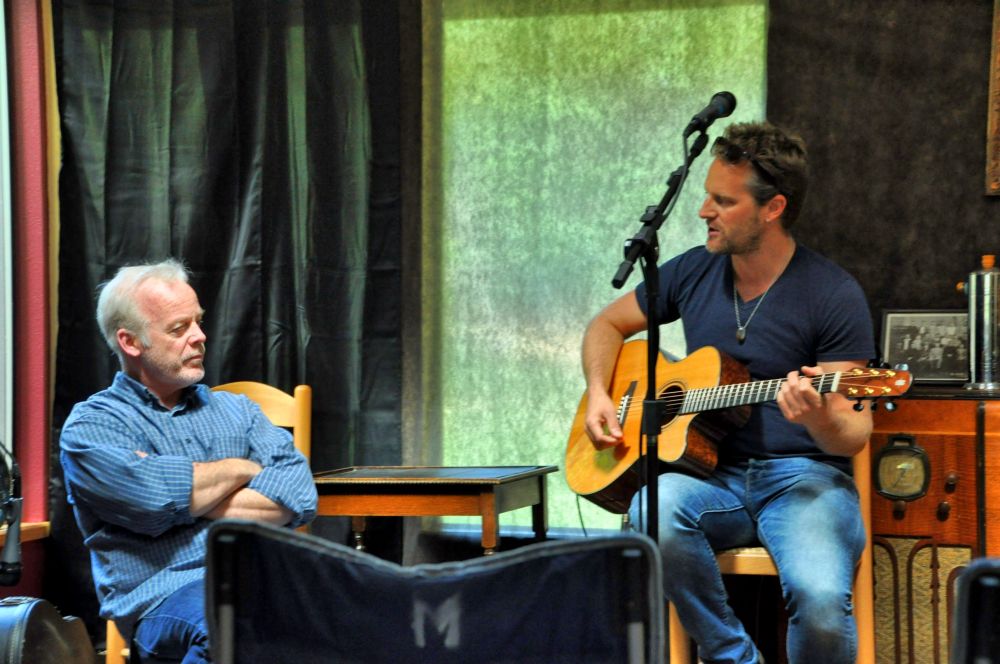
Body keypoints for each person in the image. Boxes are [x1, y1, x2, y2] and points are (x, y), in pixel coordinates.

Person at [581, 122, 874, 664]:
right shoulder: (693, 270)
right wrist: (599, 391)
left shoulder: (832, 293)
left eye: (723, 201)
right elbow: (606, 325)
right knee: (651, 508)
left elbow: (854, 433)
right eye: (707, 196)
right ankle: (734, 659)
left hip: (804, 479)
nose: (704, 212)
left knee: (820, 601)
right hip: (711, 476)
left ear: (773, 207)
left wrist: (816, 418)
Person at [60, 260, 318, 664]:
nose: (199, 337)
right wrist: (244, 469)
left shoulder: (239, 411)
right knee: (233, 630)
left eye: (198, 321)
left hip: (267, 580)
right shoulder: (93, 426)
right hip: (167, 596)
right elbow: (152, 500)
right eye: (179, 328)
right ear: (131, 342)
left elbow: (298, 493)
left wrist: (187, 493)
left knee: (372, 617)